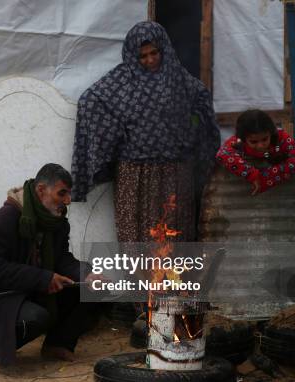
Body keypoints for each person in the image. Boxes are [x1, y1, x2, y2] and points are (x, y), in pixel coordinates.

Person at [71, 21, 220, 242]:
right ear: (132, 55)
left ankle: (175, 278)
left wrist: (189, 130)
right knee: (135, 236)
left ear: (164, 49)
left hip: (175, 173)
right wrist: (116, 133)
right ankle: (136, 278)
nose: (150, 60)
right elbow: (90, 101)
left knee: (173, 236)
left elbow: (202, 110)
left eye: (154, 53)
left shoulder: (182, 82)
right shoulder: (120, 82)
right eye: (143, 56)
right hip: (134, 175)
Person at [0, 163, 98, 365]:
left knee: (89, 291)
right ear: (41, 190)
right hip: (0, 297)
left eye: (68, 194)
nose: (68, 201)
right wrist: (43, 278)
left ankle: (57, 344)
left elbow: (61, 258)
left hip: (32, 288)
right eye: (61, 193)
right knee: (37, 317)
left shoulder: (57, 223)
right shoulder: (3, 220)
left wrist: (87, 274)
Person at [216, 109, 295, 195]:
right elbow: (222, 154)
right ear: (243, 139)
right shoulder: (238, 142)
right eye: (254, 142)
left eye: (265, 139)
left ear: (270, 133)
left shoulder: (280, 138)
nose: (261, 145)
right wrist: (252, 174)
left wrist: (266, 177)